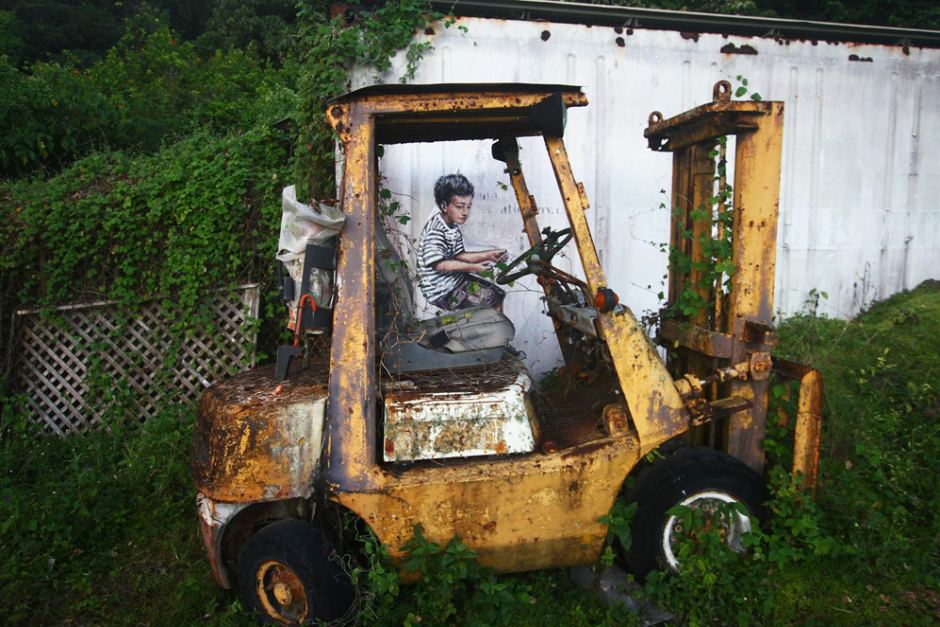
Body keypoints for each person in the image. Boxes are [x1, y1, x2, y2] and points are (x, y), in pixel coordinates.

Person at [418, 174, 508, 311]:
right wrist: (475, 268)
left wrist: (488, 255)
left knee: (499, 294)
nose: (465, 212)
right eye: (460, 206)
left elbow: (459, 255)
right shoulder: (435, 230)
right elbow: (440, 265)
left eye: (468, 207)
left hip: (456, 281)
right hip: (442, 291)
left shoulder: (452, 227)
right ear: (444, 206)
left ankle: (493, 328)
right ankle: (489, 330)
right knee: (490, 299)